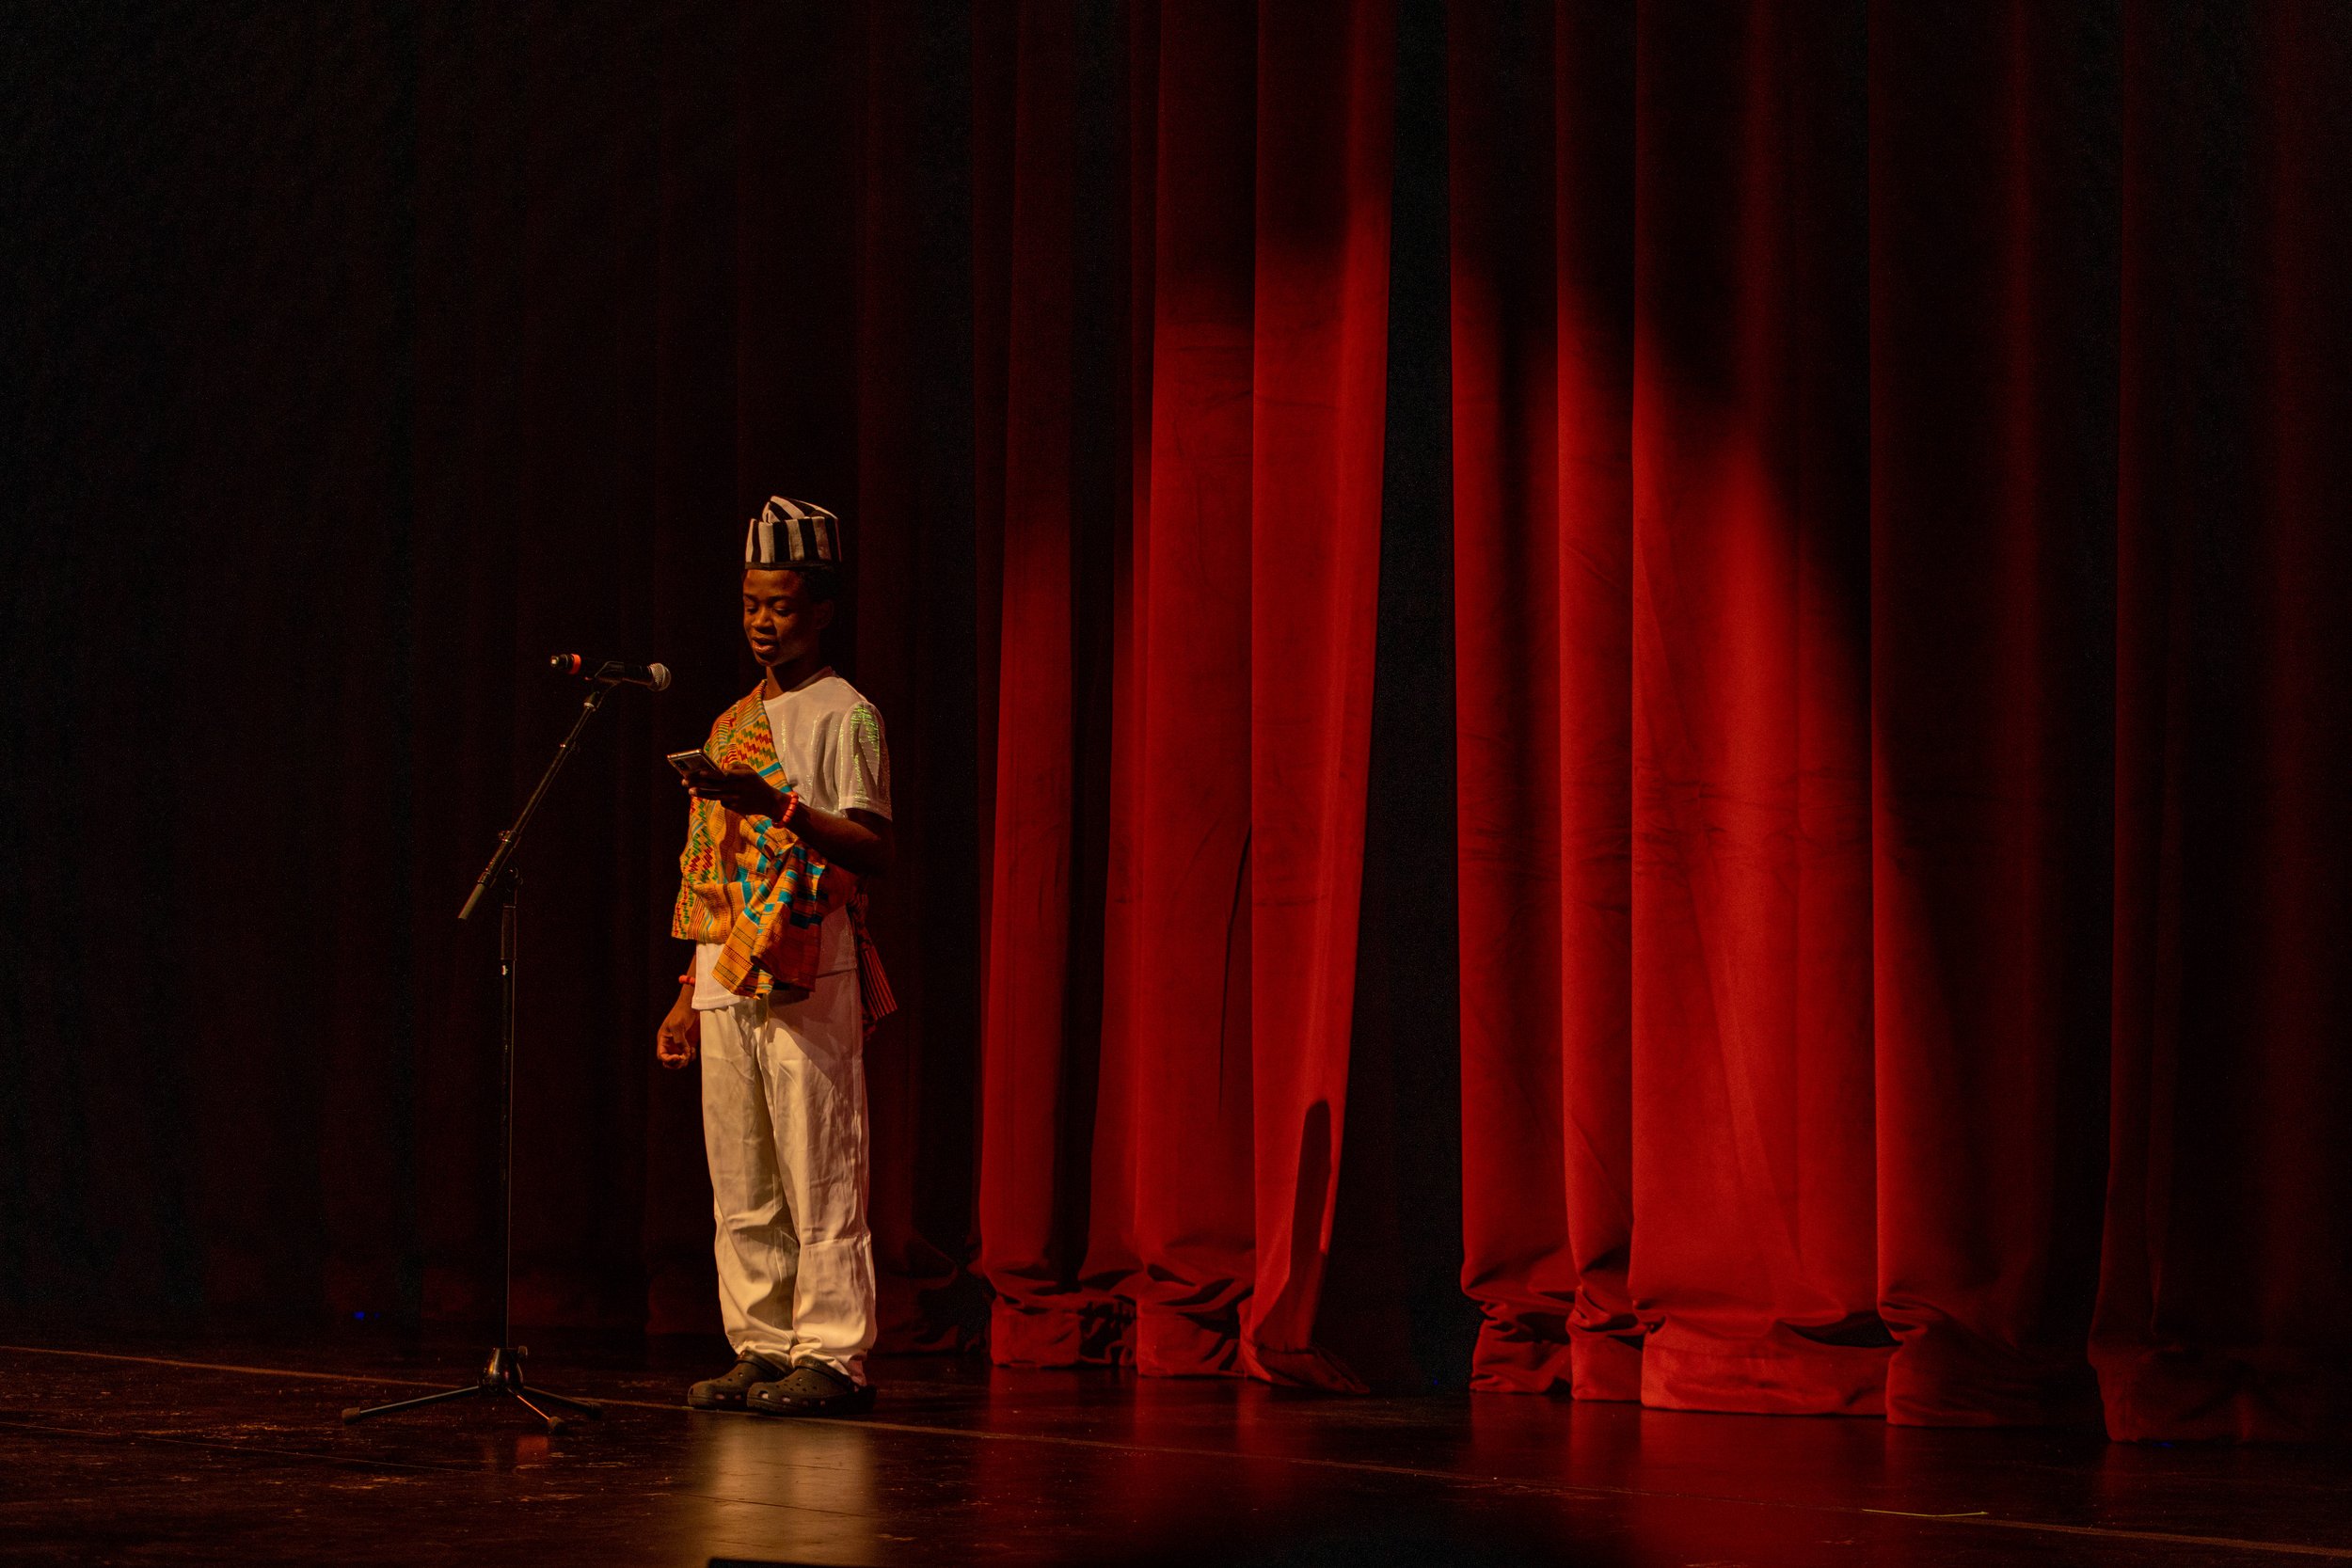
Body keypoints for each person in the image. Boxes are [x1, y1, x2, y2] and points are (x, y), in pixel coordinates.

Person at [655, 495, 895, 1418]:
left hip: (808, 957)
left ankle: (832, 1351)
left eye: (782, 604)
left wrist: (781, 805)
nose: (763, 619)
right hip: (727, 967)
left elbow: (874, 844)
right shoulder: (726, 723)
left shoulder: (850, 717)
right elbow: (705, 863)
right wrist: (686, 989)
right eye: (753, 602)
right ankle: (758, 1341)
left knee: (819, 1160)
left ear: (822, 608)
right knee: (742, 1170)